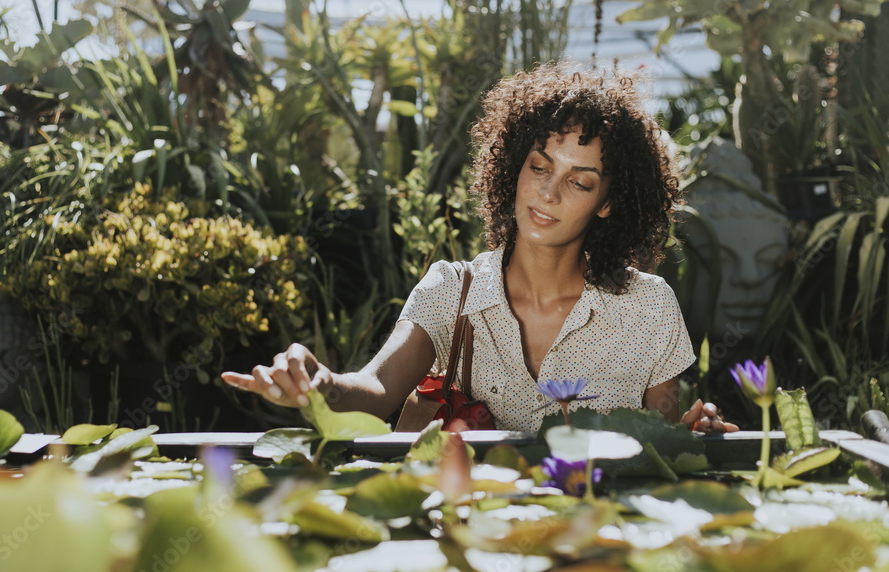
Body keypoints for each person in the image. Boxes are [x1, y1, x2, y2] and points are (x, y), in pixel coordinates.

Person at [223, 65, 737, 434]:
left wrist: (696, 432)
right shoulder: (451, 290)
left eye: (579, 182)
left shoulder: (648, 308)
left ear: (607, 203)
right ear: (514, 168)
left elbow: (662, 441)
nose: (548, 193)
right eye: (539, 167)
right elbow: (377, 390)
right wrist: (321, 382)